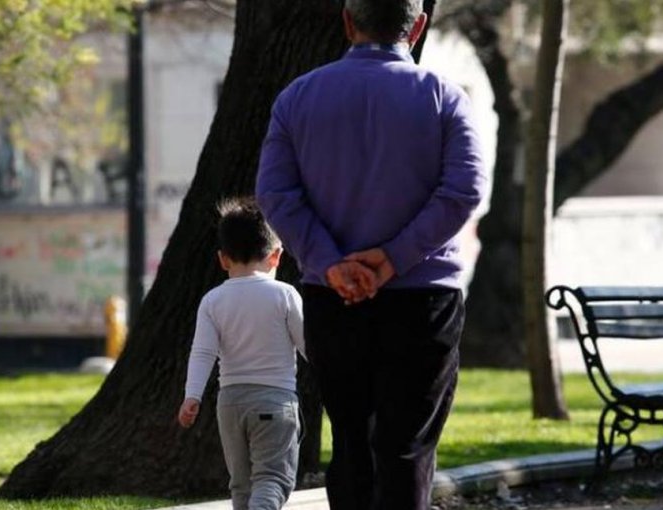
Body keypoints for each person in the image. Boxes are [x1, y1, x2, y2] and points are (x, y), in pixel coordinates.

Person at [255, 0, 487, 508]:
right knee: (406, 447)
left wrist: (331, 261)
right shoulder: (444, 97)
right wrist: (392, 259)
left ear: (347, 21)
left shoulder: (298, 97)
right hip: (423, 298)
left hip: (332, 297)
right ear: (418, 26)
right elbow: (463, 191)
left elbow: (276, 194)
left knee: (352, 444)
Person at [178, 198, 305, 510]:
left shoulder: (212, 301)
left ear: (223, 259)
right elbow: (309, 345)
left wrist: (192, 395)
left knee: (242, 485)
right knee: (273, 479)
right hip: (275, 401)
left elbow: (203, 352)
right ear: (276, 256)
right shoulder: (285, 295)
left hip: (230, 403)